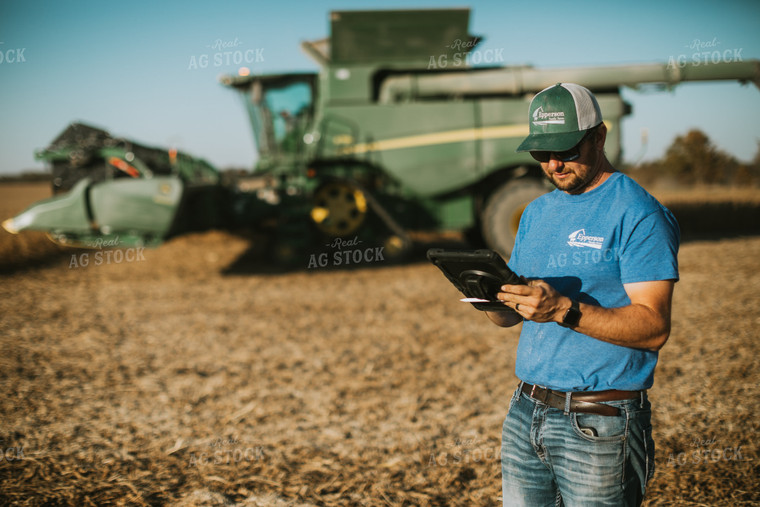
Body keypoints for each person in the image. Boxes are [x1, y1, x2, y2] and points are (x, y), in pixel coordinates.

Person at [488, 83, 679, 506]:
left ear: (599, 137)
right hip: (526, 411)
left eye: (567, 150)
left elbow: (653, 327)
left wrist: (562, 309)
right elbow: (513, 317)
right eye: (542, 153)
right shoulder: (536, 212)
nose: (554, 164)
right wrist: (490, 298)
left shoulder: (640, 214)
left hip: (600, 424)